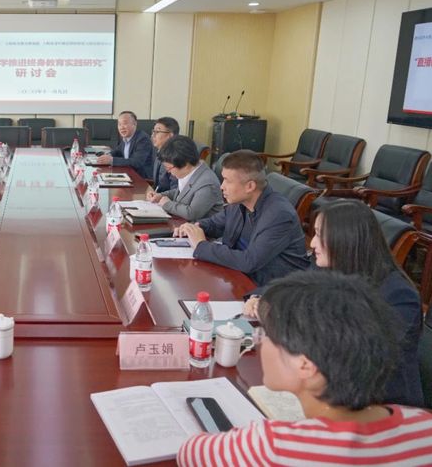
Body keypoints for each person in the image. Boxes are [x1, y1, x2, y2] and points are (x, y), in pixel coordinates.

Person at [177, 270, 432, 466]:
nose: (260, 342)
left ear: (305, 365)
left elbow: (190, 453)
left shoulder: (271, 446)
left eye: (267, 334)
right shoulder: (424, 426)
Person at [245, 199, 423, 406]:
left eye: (319, 235)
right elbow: (290, 287)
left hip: (380, 404)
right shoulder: (330, 266)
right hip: (329, 387)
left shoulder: (398, 295)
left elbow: (358, 359)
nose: (312, 243)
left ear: (345, 240)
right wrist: (262, 298)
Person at [175, 150, 309, 285]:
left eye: (227, 181)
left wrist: (201, 245)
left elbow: (249, 261)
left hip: (273, 288)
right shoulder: (239, 203)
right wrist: (193, 228)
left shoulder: (279, 215)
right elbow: (214, 224)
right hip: (238, 276)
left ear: (250, 186)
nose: (222, 186)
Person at [151, 136, 222, 221]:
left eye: (169, 168)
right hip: (182, 223)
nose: (168, 172)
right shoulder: (190, 172)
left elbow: (191, 213)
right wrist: (161, 195)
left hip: (199, 227)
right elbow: (182, 193)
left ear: (186, 164)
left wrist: (167, 204)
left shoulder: (207, 183)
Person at [95, 111, 154, 179]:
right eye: (119, 124)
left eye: (125, 123)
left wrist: (111, 160)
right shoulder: (126, 138)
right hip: (128, 175)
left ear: (134, 124)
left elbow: (136, 162)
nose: (121, 127)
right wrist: (108, 155)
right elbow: (118, 151)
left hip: (141, 179)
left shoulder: (142, 139)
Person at [148, 116, 179, 193]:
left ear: (170, 135)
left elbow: (177, 190)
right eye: (153, 131)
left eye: (157, 132)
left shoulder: (175, 157)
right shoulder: (158, 151)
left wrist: (160, 196)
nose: (153, 135)